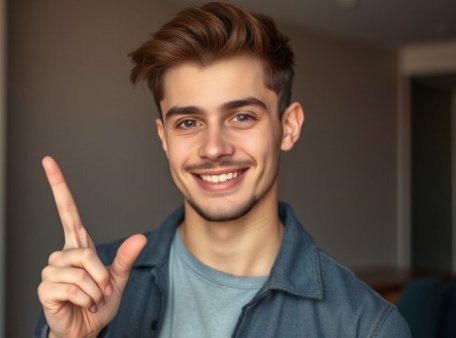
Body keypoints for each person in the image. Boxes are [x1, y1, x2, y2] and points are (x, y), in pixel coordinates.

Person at [35, 2, 411, 337]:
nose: (214, 148)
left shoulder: (364, 326)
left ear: (289, 126)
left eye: (242, 116)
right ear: (163, 137)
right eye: (188, 123)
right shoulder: (86, 286)